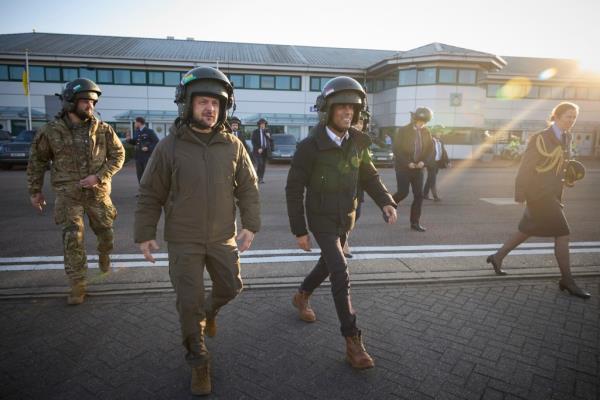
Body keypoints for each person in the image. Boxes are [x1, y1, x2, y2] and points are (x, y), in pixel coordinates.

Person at [134, 66, 260, 395]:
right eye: (203, 101)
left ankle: (209, 313)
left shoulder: (233, 146)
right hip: (184, 240)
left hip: (222, 236)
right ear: (187, 105)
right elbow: (150, 193)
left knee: (231, 287)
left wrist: (250, 225)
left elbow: (248, 188)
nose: (209, 108)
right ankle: (198, 359)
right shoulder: (169, 147)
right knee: (188, 302)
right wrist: (145, 233)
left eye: (215, 104)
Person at [286, 76, 397, 369]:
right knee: (339, 269)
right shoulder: (309, 147)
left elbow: (370, 177)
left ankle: (302, 295)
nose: (348, 112)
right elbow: (294, 189)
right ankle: (352, 340)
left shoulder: (358, 144)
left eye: (353, 108)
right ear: (328, 110)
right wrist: (299, 230)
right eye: (341, 107)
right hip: (320, 219)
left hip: (346, 217)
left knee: (327, 264)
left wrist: (386, 201)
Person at [27, 78, 125, 305]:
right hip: (68, 195)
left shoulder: (104, 129)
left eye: (93, 102)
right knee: (73, 238)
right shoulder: (50, 132)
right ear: (70, 102)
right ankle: (77, 285)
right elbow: (37, 162)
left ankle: (104, 252)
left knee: (106, 234)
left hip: (98, 194)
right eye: (85, 101)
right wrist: (35, 191)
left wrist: (99, 176)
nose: (90, 106)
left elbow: (119, 156)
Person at [487, 102, 590, 299]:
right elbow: (526, 167)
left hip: (553, 193)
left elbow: (560, 165)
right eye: (568, 116)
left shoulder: (566, 137)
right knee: (563, 234)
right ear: (557, 116)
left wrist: (568, 178)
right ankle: (567, 280)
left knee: (527, 230)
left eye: (574, 117)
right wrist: (520, 194)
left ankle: (497, 257)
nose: (572, 120)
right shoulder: (540, 137)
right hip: (538, 193)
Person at [392, 107, 434, 232]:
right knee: (403, 193)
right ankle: (387, 206)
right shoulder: (403, 130)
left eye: (424, 122)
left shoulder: (427, 132)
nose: (422, 124)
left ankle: (415, 223)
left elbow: (430, 150)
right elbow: (396, 149)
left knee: (419, 195)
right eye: (420, 121)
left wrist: (423, 162)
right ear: (415, 119)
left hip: (418, 169)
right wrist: (407, 163)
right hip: (403, 168)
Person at [126, 116, 159, 183]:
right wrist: (129, 140)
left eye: (135, 122)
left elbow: (156, 142)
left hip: (146, 157)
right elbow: (135, 142)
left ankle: (148, 191)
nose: (134, 124)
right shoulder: (137, 131)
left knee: (146, 174)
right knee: (139, 175)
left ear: (139, 123)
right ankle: (141, 191)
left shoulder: (149, 131)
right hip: (138, 157)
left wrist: (148, 148)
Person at [423, 134, 449, 201]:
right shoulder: (430, 141)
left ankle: (424, 194)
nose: (440, 134)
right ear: (434, 133)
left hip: (438, 163)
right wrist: (425, 162)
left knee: (430, 179)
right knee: (433, 180)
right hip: (431, 163)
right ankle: (435, 196)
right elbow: (425, 152)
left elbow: (444, 151)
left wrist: (448, 161)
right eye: (438, 132)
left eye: (440, 132)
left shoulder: (440, 141)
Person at [251, 118, 272, 183]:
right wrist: (258, 148)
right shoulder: (255, 131)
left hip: (265, 150)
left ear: (265, 125)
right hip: (258, 151)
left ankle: (261, 178)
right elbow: (253, 141)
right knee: (260, 164)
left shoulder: (268, 131)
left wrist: (269, 136)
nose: (262, 125)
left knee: (263, 165)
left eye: (264, 124)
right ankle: (257, 177)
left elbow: (271, 140)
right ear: (259, 125)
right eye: (261, 124)